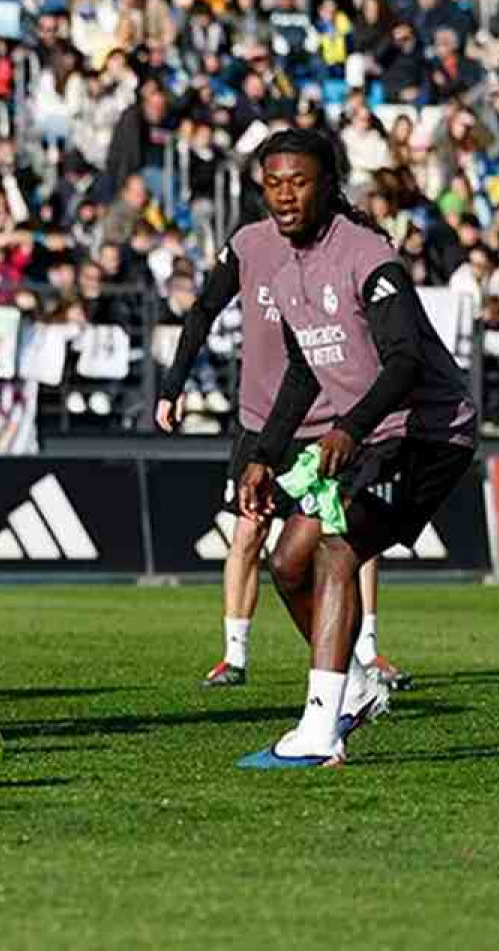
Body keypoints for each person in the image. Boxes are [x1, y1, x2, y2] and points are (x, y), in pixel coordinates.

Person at [236, 129, 476, 768]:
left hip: (428, 433)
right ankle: (359, 686)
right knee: (288, 563)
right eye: (273, 184)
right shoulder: (284, 271)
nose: (285, 195)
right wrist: (263, 453)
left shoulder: (368, 256)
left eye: (299, 182)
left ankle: (320, 728)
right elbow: (302, 371)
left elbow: (404, 361)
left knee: (339, 550)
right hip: (371, 434)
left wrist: (349, 427)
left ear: (328, 185)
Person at [157, 212, 413, 691]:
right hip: (262, 422)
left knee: (352, 535)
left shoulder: (339, 247)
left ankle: (366, 652)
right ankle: (234, 655)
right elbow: (204, 310)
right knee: (248, 531)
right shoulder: (248, 244)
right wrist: (173, 385)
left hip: (331, 421)